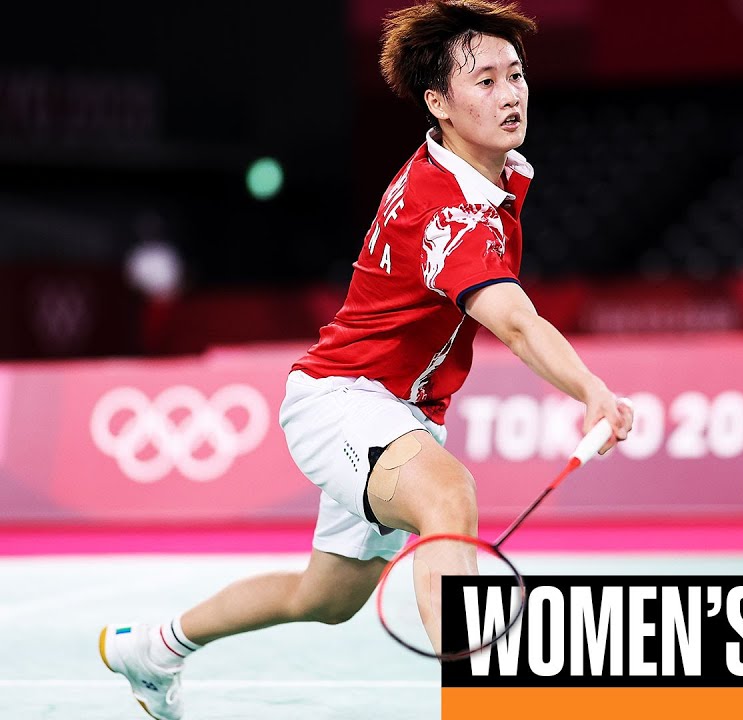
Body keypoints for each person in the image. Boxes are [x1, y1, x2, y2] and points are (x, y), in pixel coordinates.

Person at [99, 2, 633, 717]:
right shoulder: (446, 212)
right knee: (448, 496)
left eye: (516, 75)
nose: (510, 95)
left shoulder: (493, 172)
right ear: (438, 103)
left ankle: (154, 649)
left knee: (325, 598)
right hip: (344, 399)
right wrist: (591, 389)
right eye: (485, 81)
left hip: (396, 409)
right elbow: (513, 320)